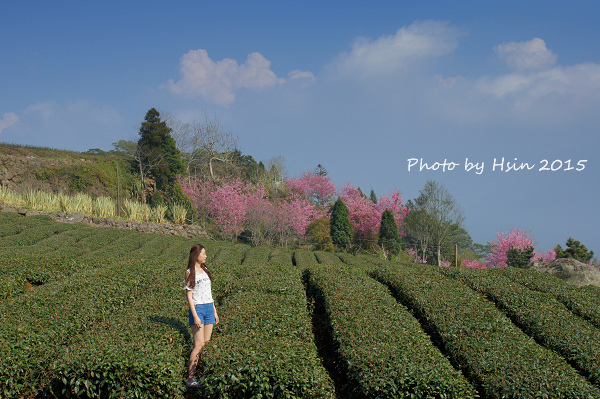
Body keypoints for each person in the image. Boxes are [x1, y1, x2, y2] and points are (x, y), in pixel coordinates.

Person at [184, 244, 219, 388]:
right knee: (198, 345)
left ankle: (202, 374)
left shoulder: (205, 270)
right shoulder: (189, 272)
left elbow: (209, 293)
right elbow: (189, 296)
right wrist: (195, 316)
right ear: (196, 255)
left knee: (206, 343)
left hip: (209, 307)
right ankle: (190, 378)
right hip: (198, 309)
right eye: (203, 253)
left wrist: (215, 311)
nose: (205, 256)